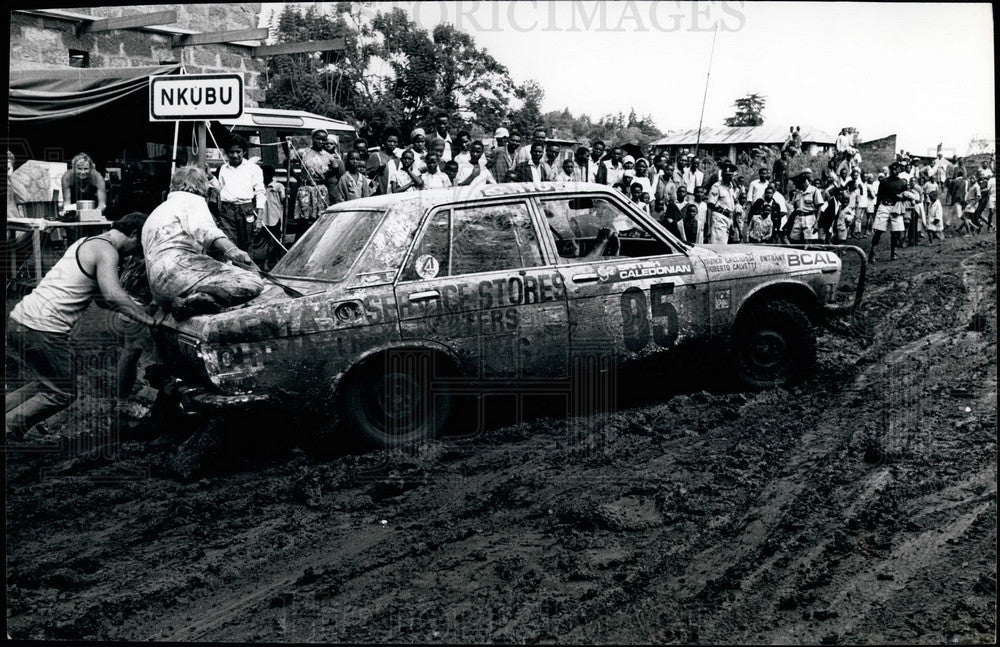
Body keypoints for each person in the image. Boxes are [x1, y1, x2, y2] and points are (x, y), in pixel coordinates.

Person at [6, 212, 154, 441]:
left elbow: (101, 299)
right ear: (134, 234)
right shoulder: (107, 250)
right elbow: (113, 295)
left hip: (21, 320)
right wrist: (148, 320)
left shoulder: (87, 242)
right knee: (63, 393)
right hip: (43, 328)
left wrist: (133, 309)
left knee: (47, 383)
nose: (137, 254)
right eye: (139, 247)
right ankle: (9, 427)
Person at [143, 166, 263, 319]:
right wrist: (232, 251)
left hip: (159, 289)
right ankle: (198, 299)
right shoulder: (192, 201)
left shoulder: (158, 211)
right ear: (201, 186)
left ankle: (190, 301)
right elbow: (205, 230)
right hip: (179, 271)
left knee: (222, 272)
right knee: (252, 280)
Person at [215, 135, 265, 253]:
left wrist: (259, 219)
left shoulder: (253, 168)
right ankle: (231, 271)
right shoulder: (223, 168)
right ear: (226, 153)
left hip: (246, 209)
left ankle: (247, 271)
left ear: (244, 151)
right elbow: (221, 189)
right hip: (227, 211)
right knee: (229, 245)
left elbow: (260, 193)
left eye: (238, 152)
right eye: (231, 152)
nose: (235, 155)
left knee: (247, 245)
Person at [294, 129, 338, 226]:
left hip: (321, 190)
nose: (321, 142)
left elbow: (335, 168)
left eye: (324, 139)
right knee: (303, 221)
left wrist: (324, 177)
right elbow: (287, 162)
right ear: (313, 138)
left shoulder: (328, 156)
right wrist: (297, 177)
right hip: (305, 190)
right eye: (318, 139)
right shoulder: (303, 152)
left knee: (320, 220)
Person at [868, 162, 910, 262]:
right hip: (884, 206)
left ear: (900, 170)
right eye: (893, 169)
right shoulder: (884, 182)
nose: (895, 171)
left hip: (896, 207)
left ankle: (893, 253)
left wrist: (902, 198)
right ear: (890, 170)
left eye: (897, 169)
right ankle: (872, 253)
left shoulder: (903, 183)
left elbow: (906, 197)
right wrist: (876, 210)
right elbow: (879, 197)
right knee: (878, 231)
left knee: (896, 232)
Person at [706, 162, 742, 244]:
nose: (728, 177)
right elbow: (710, 207)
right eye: (726, 175)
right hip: (719, 218)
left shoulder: (731, 187)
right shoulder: (716, 186)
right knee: (719, 246)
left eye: (730, 175)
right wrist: (708, 226)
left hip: (729, 219)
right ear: (722, 175)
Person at [786, 168, 823, 243]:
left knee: (809, 242)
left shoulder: (814, 190)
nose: (795, 185)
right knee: (794, 240)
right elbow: (794, 207)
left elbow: (819, 208)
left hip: (809, 218)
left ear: (803, 181)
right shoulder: (797, 192)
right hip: (798, 218)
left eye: (796, 183)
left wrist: (817, 223)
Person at [367, 127, 402, 195]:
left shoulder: (397, 159)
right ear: (384, 141)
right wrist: (377, 169)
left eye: (395, 142)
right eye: (389, 141)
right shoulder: (376, 156)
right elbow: (367, 174)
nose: (392, 144)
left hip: (394, 194)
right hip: (379, 193)